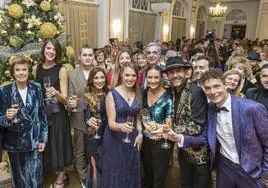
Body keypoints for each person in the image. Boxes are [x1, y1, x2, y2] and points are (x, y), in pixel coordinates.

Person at [200, 68, 268, 188]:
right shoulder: (210, 108)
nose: (213, 91)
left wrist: (265, 176)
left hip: (251, 173)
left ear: (226, 85)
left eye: (216, 86)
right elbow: (206, 137)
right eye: (208, 88)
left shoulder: (252, 108)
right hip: (225, 168)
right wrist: (179, 137)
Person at [0, 55, 48, 188]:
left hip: (34, 141)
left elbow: (42, 114)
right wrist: (7, 117)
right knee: (19, 180)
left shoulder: (36, 88)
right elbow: (1, 117)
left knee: (35, 179)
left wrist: (43, 138)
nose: (21, 73)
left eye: (24, 69)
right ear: (13, 72)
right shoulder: (4, 91)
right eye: (18, 70)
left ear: (29, 71)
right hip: (14, 143)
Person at [164, 56, 211, 188]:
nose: (175, 75)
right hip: (182, 151)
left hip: (198, 154)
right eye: (171, 72)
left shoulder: (196, 92)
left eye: (178, 71)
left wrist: (168, 130)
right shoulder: (172, 91)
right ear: (167, 75)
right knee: (185, 183)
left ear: (186, 73)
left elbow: (197, 126)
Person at [35, 38, 73, 188]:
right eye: (48, 48)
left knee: (60, 145)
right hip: (43, 113)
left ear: (57, 52)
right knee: (50, 146)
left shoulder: (61, 69)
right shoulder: (37, 68)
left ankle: (60, 180)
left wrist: (56, 93)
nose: (51, 52)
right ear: (44, 49)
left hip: (57, 114)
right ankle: (61, 176)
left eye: (54, 50)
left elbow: (65, 99)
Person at [102, 63, 143, 188]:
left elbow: (138, 119)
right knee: (116, 172)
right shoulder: (112, 94)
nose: (130, 78)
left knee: (131, 170)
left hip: (133, 138)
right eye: (127, 75)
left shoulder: (138, 93)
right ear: (121, 75)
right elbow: (111, 123)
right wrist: (121, 126)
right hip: (115, 139)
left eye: (133, 75)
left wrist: (140, 134)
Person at [141, 65, 173, 188]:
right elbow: (141, 114)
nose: (153, 80)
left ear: (161, 78)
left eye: (156, 77)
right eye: (150, 77)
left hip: (161, 141)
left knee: (159, 178)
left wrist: (158, 126)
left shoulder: (167, 96)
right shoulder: (143, 93)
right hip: (145, 141)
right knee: (148, 174)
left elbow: (169, 123)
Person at [68, 44, 94, 187]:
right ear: (79, 57)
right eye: (85, 55)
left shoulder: (97, 72)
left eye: (90, 55)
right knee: (80, 150)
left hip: (96, 118)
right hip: (78, 117)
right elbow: (69, 97)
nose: (87, 57)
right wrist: (69, 103)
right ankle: (83, 177)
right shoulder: (72, 74)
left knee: (94, 148)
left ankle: (94, 175)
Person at [84, 67, 108, 188]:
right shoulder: (86, 96)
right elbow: (82, 117)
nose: (99, 80)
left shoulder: (109, 94)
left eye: (102, 77)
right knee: (95, 167)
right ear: (92, 80)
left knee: (105, 166)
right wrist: (87, 120)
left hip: (108, 137)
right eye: (96, 78)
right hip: (92, 137)